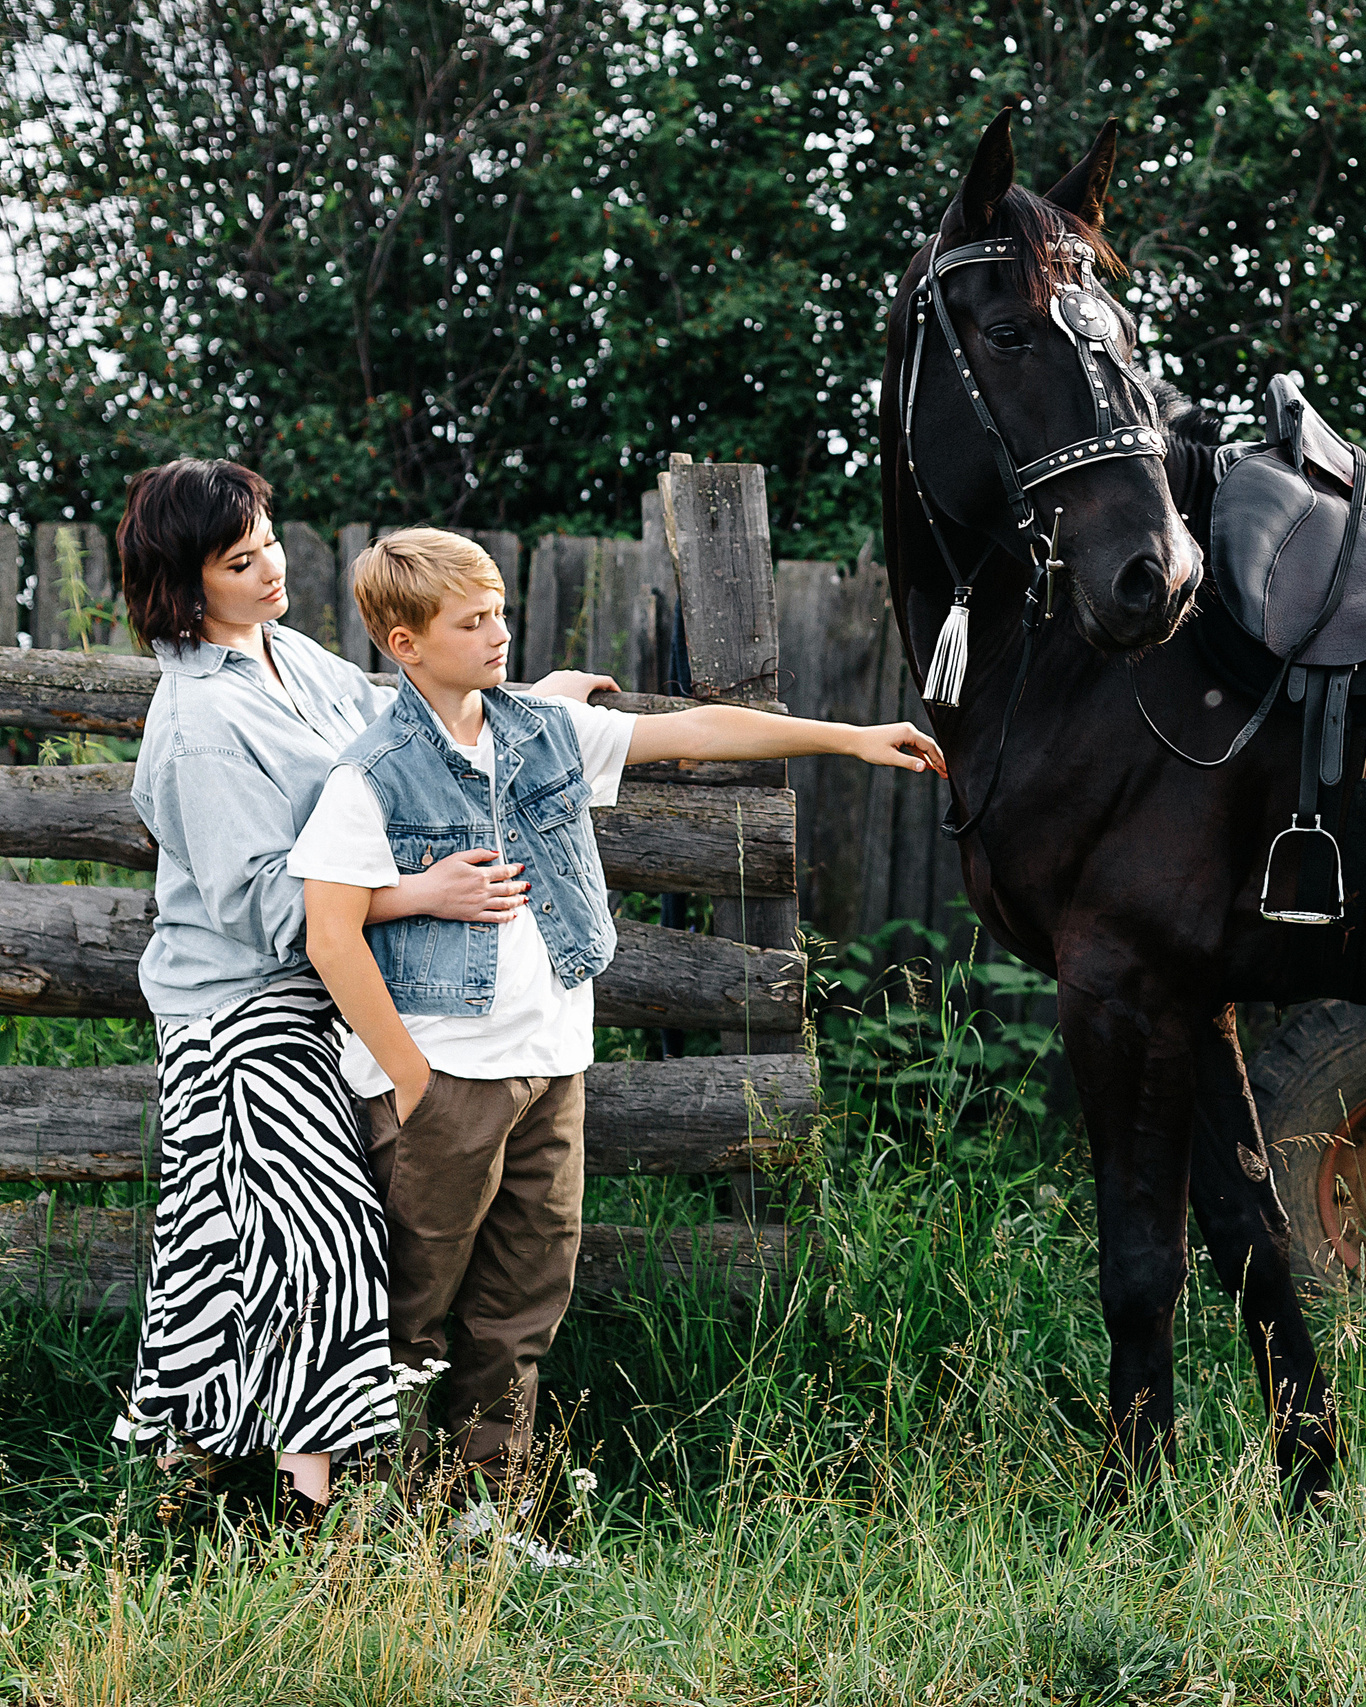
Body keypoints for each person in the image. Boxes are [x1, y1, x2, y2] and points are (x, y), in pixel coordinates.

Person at [291, 528, 942, 1486]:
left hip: (552, 1068)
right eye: (472, 622)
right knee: (407, 1312)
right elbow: (330, 936)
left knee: (521, 1303)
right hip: (444, 1086)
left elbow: (700, 731)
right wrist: (415, 1079)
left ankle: (485, 1519)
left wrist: (848, 739)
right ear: (405, 642)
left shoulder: (540, 731)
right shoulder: (372, 773)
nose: (498, 633)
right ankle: (372, 1525)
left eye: (501, 612)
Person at [115, 460, 600, 1521]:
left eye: (271, 541)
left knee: (308, 1244)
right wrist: (411, 890)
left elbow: (405, 721)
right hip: (243, 1007)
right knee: (326, 1236)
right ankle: (288, 1496)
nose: (275, 569)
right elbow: (260, 905)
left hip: (333, 992)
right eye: (241, 561)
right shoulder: (198, 721)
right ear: (185, 585)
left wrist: (534, 701)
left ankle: (258, 1477)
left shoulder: (296, 660)